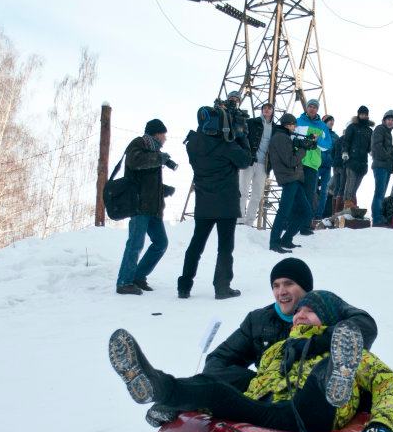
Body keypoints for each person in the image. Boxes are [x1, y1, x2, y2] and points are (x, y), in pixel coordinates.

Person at [108, 290, 393, 432]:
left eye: (311, 311)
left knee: (322, 373)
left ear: (328, 320)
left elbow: (390, 385)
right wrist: (191, 403)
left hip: (313, 414)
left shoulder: (348, 349)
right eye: (298, 311)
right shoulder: (278, 350)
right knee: (216, 386)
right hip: (271, 412)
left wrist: (384, 423)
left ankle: (335, 381)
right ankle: (155, 386)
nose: (300, 315)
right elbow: (255, 381)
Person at [203, 257, 378, 392]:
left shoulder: (327, 309)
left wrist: (316, 342)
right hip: (266, 395)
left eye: (289, 284)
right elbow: (217, 361)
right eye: (276, 285)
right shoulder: (258, 320)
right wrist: (258, 382)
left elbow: (365, 326)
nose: (281, 292)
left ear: (305, 288)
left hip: (311, 394)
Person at [178, 105, 253, 300]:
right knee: (225, 247)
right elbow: (246, 161)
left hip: (204, 201)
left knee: (196, 244)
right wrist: (242, 136)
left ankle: (184, 286)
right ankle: (222, 287)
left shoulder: (192, 144)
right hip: (226, 203)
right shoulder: (227, 145)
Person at [115, 118, 175, 295]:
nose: (165, 138)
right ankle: (124, 282)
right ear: (157, 134)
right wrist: (159, 159)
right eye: (164, 134)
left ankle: (138, 276)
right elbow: (135, 162)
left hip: (153, 208)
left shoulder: (155, 151)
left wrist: (164, 189)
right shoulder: (139, 143)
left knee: (161, 243)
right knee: (135, 243)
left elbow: (147, 181)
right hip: (139, 206)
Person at [267, 113, 312, 253]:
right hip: (289, 178)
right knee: (284, 212)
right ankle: (274, 242)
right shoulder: (280, 137)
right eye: (293, 125)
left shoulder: (284, 137)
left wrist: (301, 145)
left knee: (306, 212)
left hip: (294, 178)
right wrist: (303, 149)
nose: (295, 128)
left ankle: (286, 239)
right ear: (288, 125)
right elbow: (290, 161)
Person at [297, 98, 332, 222]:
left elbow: (328, 145)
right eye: (310, 106)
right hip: (299, 162)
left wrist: (318, 140)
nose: (312, 109)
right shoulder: (298, 121)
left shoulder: (322, 126)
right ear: (306, 108)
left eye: (315, 107)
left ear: (317, 110)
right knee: (296, 192)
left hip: (313, 164)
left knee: (309, 194)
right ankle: (291, 222)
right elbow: (291, 138)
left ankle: (306, 223)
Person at [239, 102, 275, 227]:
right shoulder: (252, 122)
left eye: (269, 108)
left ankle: (249, 222)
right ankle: (239, 219)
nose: (266, 110)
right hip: (249, 161)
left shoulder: (275, 128)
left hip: (263, 165)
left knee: (257, 195)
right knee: (242, 191)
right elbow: (241, 137)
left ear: (273, 111)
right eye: (264, 108)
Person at [339, 106, 375, 208]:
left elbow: (370, 145)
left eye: (365, 114)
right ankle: (347, 203)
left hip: (363, 162)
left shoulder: (369, 131)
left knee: (356, 185)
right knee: (350, 182)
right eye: (361, 114)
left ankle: (350, 202)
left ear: (367, 115)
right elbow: (346, 141)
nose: (363, 116)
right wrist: (345, 152)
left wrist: (371, 151)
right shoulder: (352, 127)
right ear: (358, 114)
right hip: (352, 159)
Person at [370, 109, 393, 226]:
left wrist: (391, 162)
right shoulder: (380, 129)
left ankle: (379, 217)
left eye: (392, 120)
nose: (390, 122)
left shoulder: (388, 133)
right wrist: (388, 157)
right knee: (379, 193)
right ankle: (377, 218)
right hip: (380, 165)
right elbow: (377, 146)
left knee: (381, 193)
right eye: (388, 119)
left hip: (386, 167)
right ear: (384, 120)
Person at [317, 114, 337, 218]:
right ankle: (311, 213)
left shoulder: (335, 136)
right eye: (330, 120)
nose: (332, 122)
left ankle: (319, 215)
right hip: (317, 165)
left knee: (324, 192)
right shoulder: (319, 132)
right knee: (312, 190)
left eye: (333, 120)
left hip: (328, 166)